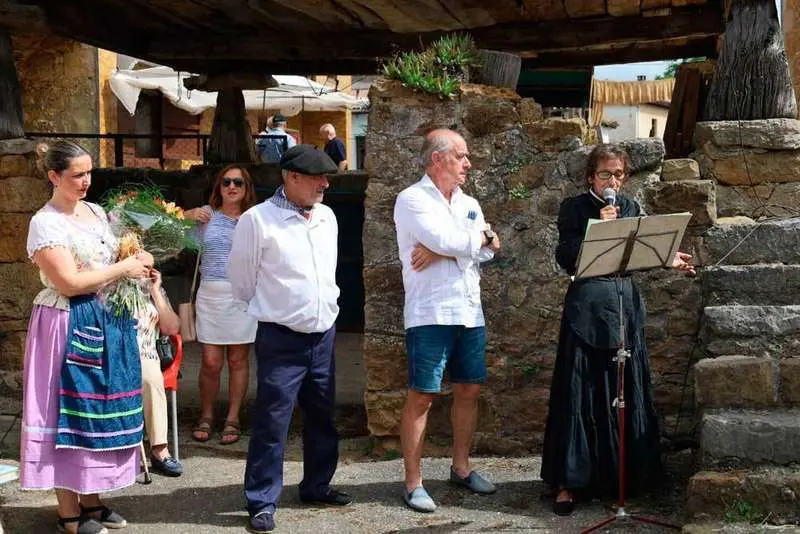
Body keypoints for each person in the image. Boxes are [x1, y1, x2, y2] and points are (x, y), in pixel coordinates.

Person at [540, 144, 695, 516]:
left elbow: (640, 253)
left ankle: (621, 477)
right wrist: (601, 228)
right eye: (606, 174)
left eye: (619, 175)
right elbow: (566, 256)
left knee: (624, 389)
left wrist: (668, 258)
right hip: (588, 307)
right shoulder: (574, 208)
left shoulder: (630, 209)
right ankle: (570, 481)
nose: (613, 181)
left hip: (624, 305)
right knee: (582, 391)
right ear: (591, 177)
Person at [21, 140, 154, 534]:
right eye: (76, 174)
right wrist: (125, 268)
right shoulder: (45, 223)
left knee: (97, 411)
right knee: (67, 411)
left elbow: (111, 263)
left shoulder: (95, 212)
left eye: (89, 172)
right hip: (66, 321)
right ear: (53, 177)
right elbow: (69, 282)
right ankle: (69, 513)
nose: (85, 181)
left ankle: (93, 502)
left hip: (107, 318)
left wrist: (139, 262)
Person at [228, 144, 351, 534]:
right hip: (281, 337)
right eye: (319, 178)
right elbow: (242, 281)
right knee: (272, 421)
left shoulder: (328, 217)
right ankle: (262, 500)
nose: (326, 184)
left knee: (323, 416)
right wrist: (274, 309)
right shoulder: (256, 220)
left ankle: (317, 485)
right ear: (292, 177)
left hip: (323, 335)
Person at [393, 129, 501, 513]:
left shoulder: (469, 202)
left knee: (469, 390)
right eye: (461, 156)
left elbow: (487, 249)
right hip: (430, 313)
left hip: (470, 311)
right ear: (438, 159)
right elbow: (465, 241)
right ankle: (413, 482)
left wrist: (445, 251)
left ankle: (461, 467)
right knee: (422, 396)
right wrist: (474, 242)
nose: (468, 163)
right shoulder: (411, 199)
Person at [184, 165, 258, 445]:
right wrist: (185, 216)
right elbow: (168, 235)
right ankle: (206, 414)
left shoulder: (254, 219)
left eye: (238, 182)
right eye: (226, 181)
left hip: (242, 295)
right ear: (219, 186)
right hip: (211, 295)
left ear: (246, 187)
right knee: (211, 361)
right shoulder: (207, 216)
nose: (232, 186)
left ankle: (233, 417)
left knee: (238, 360)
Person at [135, 267, 183, 477]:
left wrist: (155, 290)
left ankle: (159, 448)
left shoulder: (153, 290)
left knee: (150, 378)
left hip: (147, 352)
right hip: (117, 352)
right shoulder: (110, 288)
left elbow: (172, 328)